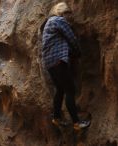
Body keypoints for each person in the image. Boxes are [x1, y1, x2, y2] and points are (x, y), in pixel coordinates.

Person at [41, 2, 90, 130]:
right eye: (68, 13)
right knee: (70, 89)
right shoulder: (59, 20)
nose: (70, 16)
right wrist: (78, 53)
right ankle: (76, 123)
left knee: (60, 89)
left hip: (49, 63)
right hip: (58, 61)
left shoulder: (49, 23)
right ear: (62, 12)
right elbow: (71, 38)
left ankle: (56, 118)